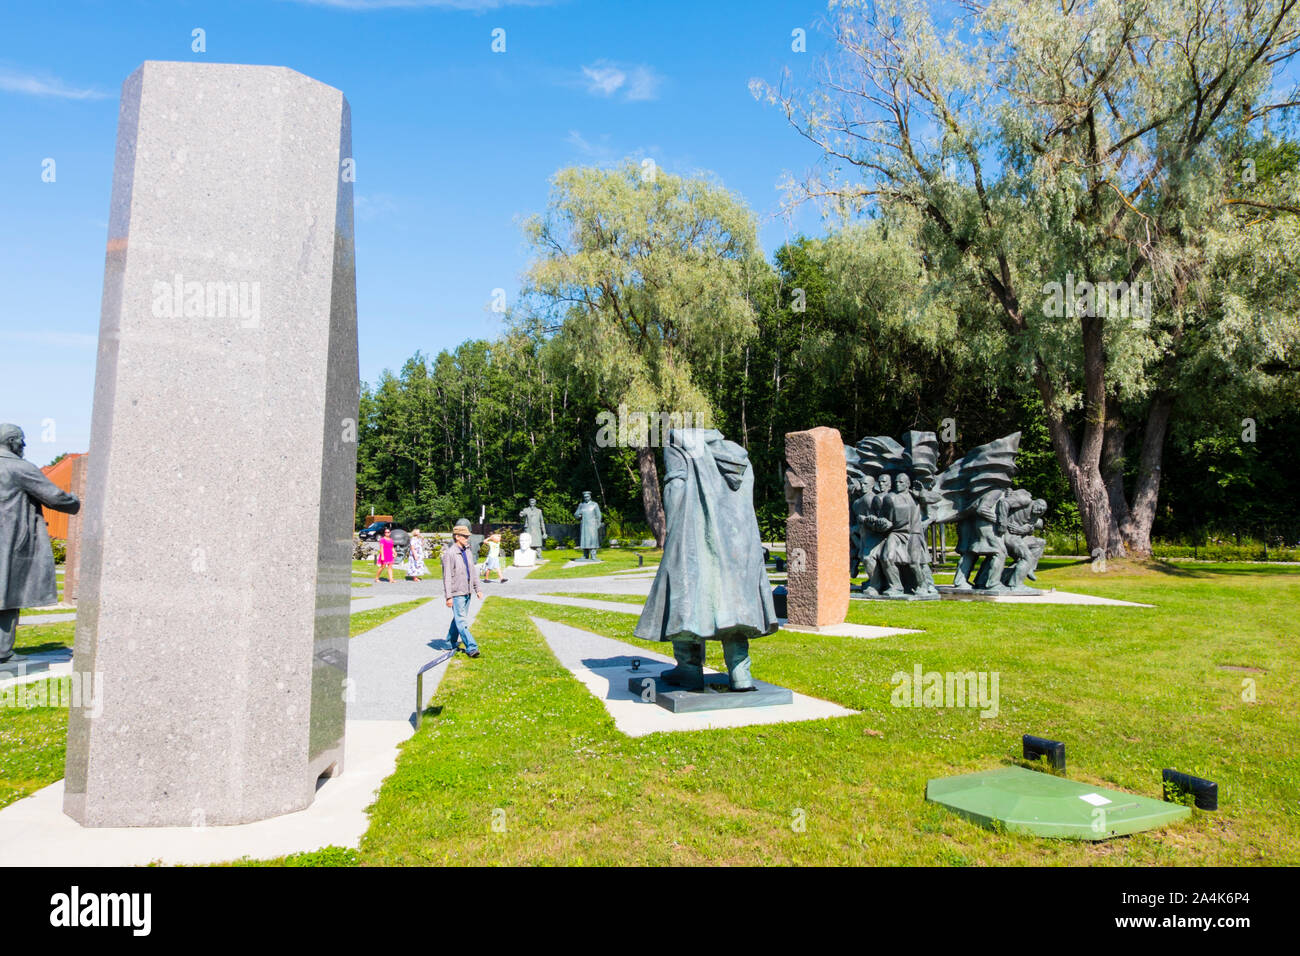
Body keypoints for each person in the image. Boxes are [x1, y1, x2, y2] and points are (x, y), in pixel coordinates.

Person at [0, 424, 81, 664]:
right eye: (22, 441)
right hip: (10, 542)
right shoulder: (18, 467)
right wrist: (74, 502)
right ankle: (2, 652)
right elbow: (55, 496)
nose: (24, 445)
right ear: (13, 441)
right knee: (8, 594)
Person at [442, 523, 484, 657]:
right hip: (456, 592)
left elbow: (472, 571)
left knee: (458, 619)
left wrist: (478, 589)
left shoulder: (467, 551)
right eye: (465, 536)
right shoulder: (450, 554)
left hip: (467, 591)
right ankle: (472, 647)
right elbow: (447, 577)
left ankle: (449, 642)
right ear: (457, 537)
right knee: (461, 621)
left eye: (467, 536)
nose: (467, 538)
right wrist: (448, 596)